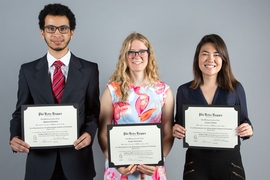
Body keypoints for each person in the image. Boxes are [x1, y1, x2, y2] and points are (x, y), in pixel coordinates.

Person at [9, 3, 100, 180]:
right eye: (51, 28)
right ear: (42, 32)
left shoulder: (89, 70)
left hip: (78, 163)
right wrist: (14, 137)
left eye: (63, 28)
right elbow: (20, 112)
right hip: (40, 165)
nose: (57, 34)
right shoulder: (28, 71)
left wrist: (89, 134)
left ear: (72, 32)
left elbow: (93, 112)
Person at [173, 34, 253, 180]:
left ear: (223, 59)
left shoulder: (235, 88)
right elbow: (179, 124)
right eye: (205, 54)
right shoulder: (184, 91)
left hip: (230, 162)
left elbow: (245, 122)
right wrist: (175, 129)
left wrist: (248, 129)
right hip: (196, 163)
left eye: (216, 54)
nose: (210, 59)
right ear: (197, 58)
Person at [98, 32, 174, 180]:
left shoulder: (164, 92)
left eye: (141, 52)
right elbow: (102, 133)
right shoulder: (111, 91)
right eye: (131, 52)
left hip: (152, 169)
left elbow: (168, 133)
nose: (136, 56)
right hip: (119, 169)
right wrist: (116, 163)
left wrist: (159, 159)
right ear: (124, 56)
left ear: (149, 54)